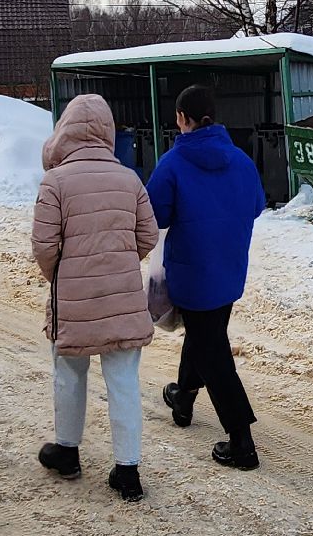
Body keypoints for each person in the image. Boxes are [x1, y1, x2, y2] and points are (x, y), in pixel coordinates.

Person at [32, 94, 159, 502]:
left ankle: (67, 452)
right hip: (123, 300)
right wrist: (120, 263)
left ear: (64, 131)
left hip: (75, 300)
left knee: (69, 374)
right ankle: (128, 471)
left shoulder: (55, 181)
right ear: (108, 132)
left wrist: (64, 276)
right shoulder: (129, 179)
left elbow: (43, 245)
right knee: (124, 382)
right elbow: (148, 235)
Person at [147, 85, 266, 470]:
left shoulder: (172, 164)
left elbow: (154, 216)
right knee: (206, 336)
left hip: (192, 273)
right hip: (229, 269)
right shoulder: (241, 160)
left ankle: (242, 441)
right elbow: (257, 205)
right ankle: (183, 396)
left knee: (212, 352)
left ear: (182, 118)